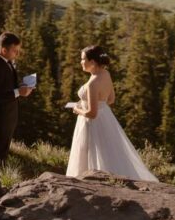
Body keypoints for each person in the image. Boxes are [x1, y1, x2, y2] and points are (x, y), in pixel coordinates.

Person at [66, 45, 158, 181]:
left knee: (92, 152)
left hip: (92, 123)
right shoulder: (106, 74)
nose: (81, 62)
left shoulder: (92, 83)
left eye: (83, 59)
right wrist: (95, 103)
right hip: (106, 118)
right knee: (108, 153)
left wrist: (78, 109)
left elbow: (92, 114)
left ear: (92, 62)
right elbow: (111, 99)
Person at [0, 31, 34, 169]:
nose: (17, 54)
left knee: (4, 149)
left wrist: (20, 87)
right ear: (4, 50)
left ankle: (0, 178)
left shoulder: (5, 60)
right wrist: (18, 92)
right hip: (0, 115)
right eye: (15, 51)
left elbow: (8, 84)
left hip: (9, 114)